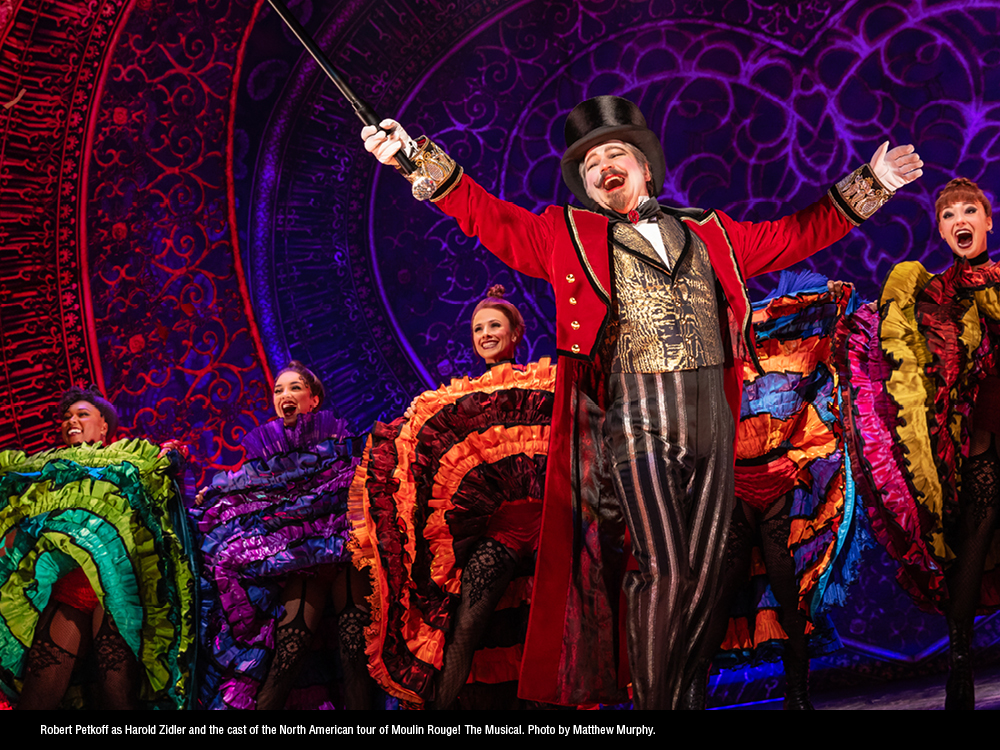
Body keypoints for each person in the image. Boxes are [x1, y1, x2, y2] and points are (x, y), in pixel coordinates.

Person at [363, 95, 923, 708]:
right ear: (587, 187)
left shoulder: (713, 231)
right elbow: (488, 216)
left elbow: (796, 233)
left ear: (645, 168)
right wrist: (412, 158)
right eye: (591, 162)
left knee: (706, 576)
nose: (603, 164)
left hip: (711, 413)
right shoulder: (566, 234)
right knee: (665, 565)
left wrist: (875, 183)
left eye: (615, 152)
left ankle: (682, 700)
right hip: (634, 415)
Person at [350, 285, 555, 708]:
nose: (485, 334)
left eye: (494, 325)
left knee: (552, 638)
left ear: (516, 332)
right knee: (465, 628)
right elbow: (421, 433)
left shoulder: (548, 382)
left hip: (555, 530)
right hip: (503, 533)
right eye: (478, 328)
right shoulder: (460, 398)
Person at [838, 177, 1000, 710]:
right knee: (973, 543)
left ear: (987, 221)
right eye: (949, 213)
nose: (960, 219)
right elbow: (910, 357)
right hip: (980, 436)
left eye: (969, 210)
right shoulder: (930, 291)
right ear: (941, 227)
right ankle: (959, 666)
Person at [691, 273, 867, 709]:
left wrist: (831, 297)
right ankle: (690, 697)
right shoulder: (697, 353)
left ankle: (798, 692)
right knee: (720, 592)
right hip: (733, 486)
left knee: (790, 589)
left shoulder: (776, 336)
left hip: (779, 483)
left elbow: (817, 329)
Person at [0, 385, 195, 709]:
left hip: (120, 589)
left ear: (104, 425)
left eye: (82, 414)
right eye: (66, 417)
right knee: (38, 697)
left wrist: (174, 456)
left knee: (117, 698)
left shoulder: (129, 458)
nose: (71, 421)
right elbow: (16, 496)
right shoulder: (48, 466)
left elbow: (161, 487)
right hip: (69, 589)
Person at [193, 361, 373, 710]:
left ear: (313, 399)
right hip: (303, 567)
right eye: (278, 390)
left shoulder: (341, 448)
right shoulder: (267, 458)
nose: (284, 396)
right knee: (287, 655)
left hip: (347, 558)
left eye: (294, 388)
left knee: (354, 652)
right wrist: (210, 495)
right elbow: (242, 486)